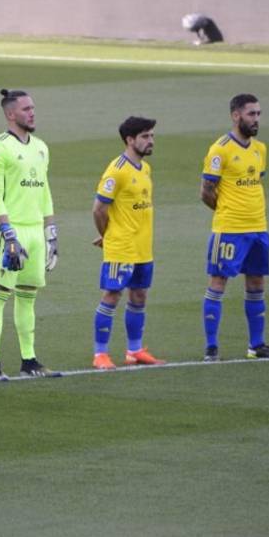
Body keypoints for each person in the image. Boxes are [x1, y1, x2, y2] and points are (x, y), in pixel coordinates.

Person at [0, 89, 62, 381]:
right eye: (26, 109)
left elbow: (44, 191)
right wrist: (9, 235)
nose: (32, 113)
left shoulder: (41, 148)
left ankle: (29, 361)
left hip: (35, 232)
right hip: (10, 232)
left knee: (28, 297)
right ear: (10, 114)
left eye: (33, 108)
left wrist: (51, 233)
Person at [199, 93, 269, 361]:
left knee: (256, 282)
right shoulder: (220, 149)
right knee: (218, 283)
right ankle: (212, 348)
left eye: (258, 114)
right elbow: (206, 191)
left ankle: (256, 345)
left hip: (258, 228)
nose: (256, 119)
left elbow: (254, 183)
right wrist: (226, 211)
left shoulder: (260, 149)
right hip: (229, 229)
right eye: (251, 114)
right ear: (236, 116)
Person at [91, 116, 165, 369]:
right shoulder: (117, 171)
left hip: (143, 246)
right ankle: (100, 354)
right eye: (145, 136)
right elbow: (99, 209)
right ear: (130, 140)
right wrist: (107, 235)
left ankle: (134, 350)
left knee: (139, 295)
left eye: (152, 135)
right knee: (112, 295)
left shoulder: (145, 169)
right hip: (121, 246)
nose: (151, 140)